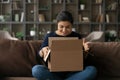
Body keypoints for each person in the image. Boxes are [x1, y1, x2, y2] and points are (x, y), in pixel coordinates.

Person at [32, 11, 97, 80]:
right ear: (57, 25)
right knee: (36, 70)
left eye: (68, 27)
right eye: (61, 27)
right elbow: (39, 55)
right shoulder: (49, 36)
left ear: (72, 25)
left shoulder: (77, 36)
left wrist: (86, 51)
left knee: (92, 70)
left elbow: (82, 59)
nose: (64, 30)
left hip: (73, 73)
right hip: (54, 72)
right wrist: (43, 51)